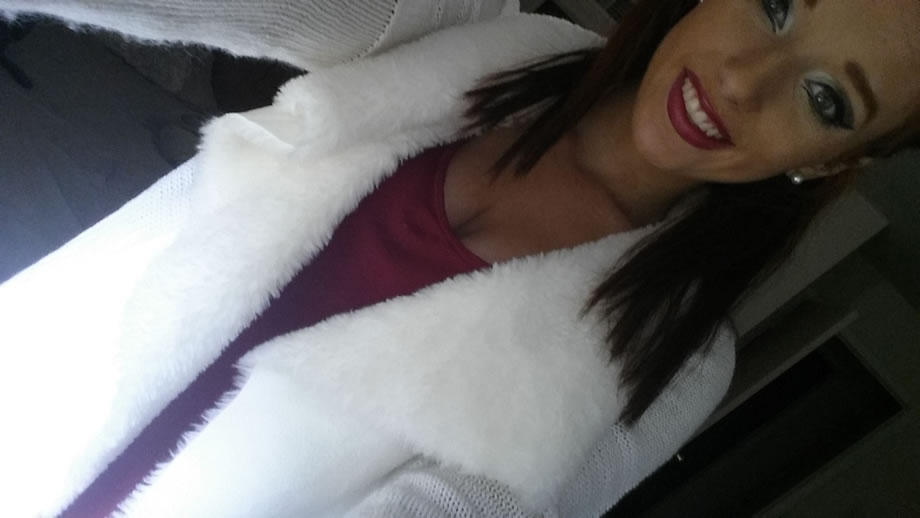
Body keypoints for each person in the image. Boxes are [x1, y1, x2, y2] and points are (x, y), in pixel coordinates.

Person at [1, 0, 917, 516]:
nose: (743, 82)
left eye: (827, 100)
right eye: (776, 4)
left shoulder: (674, 358)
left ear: (835, 159)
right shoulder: (486, 36)